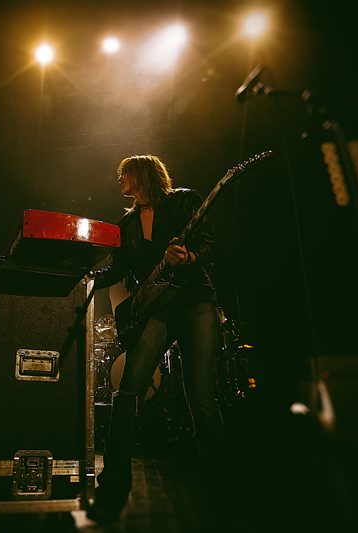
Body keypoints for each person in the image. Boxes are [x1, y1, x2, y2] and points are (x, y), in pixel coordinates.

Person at [88, 155, 227, 523]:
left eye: (125, 173)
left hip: (195, 302)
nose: (120, 178)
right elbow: (116, 269)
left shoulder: (184, 200)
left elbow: (210, 246)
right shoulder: (127, 223)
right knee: (127, 389)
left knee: (201, 396)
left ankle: (219, 485)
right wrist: (83, 277)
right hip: (156, 312)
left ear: (143, 175)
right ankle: (114, 484)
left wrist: (189, 256)